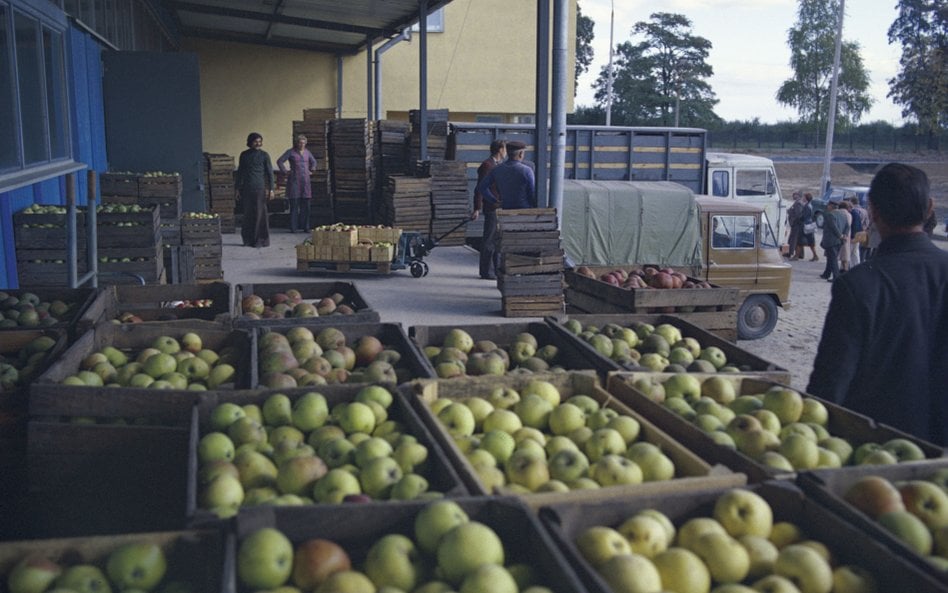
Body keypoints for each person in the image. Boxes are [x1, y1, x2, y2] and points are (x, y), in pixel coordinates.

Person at [807, 163, 948, 446]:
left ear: (872, 211)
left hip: (874, 450)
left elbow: (830, 385)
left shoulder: (859, 285)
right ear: (930, 207)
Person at [471, 139, 506, 279]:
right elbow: (480, 188)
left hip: (498, 207)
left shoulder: (498, 165)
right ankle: (486, 271)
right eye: (504, 149)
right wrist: (477, 208)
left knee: (496, 240)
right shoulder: (487, 165)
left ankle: (495, 270)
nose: (506, 152)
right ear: (500, 150)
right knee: (489, 240)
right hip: (491, 207)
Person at [236, 132, 274, 248]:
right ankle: (247, 240)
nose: (258, 144)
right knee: (247, 214)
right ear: (250, 142)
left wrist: (271, 189)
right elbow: (240, 173)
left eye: (260, 141)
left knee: (260, 214)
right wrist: (237, 189)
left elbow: (270, 173)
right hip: (247, 188)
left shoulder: (264, 155)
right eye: (255, 141)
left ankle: (261, 240)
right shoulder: (244, 155)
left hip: (260, 188)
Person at [476, 140, 536, 210]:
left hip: (506, 210)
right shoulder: (527, 171)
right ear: (521, 154)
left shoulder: (497, 169)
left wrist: (495, 201)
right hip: (524, 210)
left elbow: (482, 187)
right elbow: (532, 192)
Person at [277, 134, 318, 233]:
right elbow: (280, 161)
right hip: (294, 181)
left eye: (304, 143)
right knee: (294, 206)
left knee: (306, 207)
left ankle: (306, 227)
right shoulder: (290, 152)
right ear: (296, 143)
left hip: (306, 182)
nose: (302, 145)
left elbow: (314, 162)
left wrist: (312, 170)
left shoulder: (307, 153)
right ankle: (293, 227)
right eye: (300, 143)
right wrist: (285, 171)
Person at [819, 200, 847, 282]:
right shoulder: (843, 215)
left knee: (833, 259)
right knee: (830, 258)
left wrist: (840, 235)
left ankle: (836, 276)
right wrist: (844, 235)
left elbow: (833, 227)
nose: (827, 206)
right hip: (839, 241)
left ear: (831, 206)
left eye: (828, 205)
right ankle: (826, 274)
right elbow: (847, 226)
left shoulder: (830, 215)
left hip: (831, 240)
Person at [798, 193, 819, 261]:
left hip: (806, 225)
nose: (803, 198)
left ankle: (796, 255)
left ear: (806, 198)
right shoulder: (810, 205)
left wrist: (799, 219)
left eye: (804, 197)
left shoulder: (807, 206)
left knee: (800, 241)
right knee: (810, 242)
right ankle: (815, 255)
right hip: (809, 224)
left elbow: (804, 216)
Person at [850, 196, 870, 262]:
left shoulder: (852, 211)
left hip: (854, 233)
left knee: (852, 251)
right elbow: (867, 223)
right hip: (863, 233)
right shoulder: (864, 211)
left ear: (851, 202)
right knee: (859, 251)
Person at [786, 191, 805, 259]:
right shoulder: (797, 202)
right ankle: (800, 254)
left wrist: (793, 220)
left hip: (796, 224)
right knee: (797, 239)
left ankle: (790, 253)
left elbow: (798, 214)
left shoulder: (798, 203)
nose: (793, 196)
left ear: (798, 195)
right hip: (797, 224)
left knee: (793, 239)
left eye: (794, 195)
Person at [837, 200, 853, 272]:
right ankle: (844, 269)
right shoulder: (849, 214)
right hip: (846, 235)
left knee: (842, 254)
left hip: (841, 235)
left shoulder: (838, 213)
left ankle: (844, 270)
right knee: (845, 254)